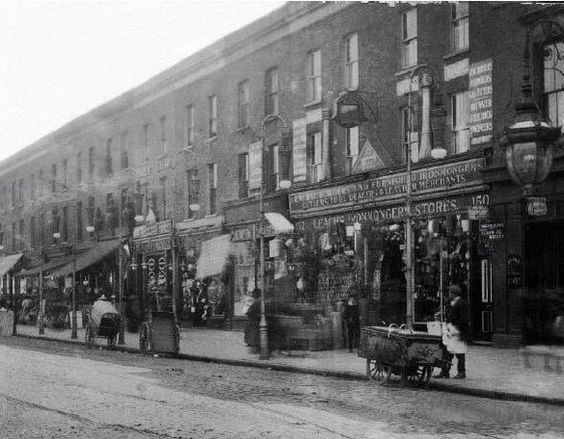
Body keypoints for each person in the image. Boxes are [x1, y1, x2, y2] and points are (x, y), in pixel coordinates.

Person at [435, 284, 470, 379]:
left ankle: (461, 372)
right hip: (450, 330)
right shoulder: (450, 303)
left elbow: (463, 319)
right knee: (447, 352)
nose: (448, 294)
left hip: (458, 331)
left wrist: (456, 329)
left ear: (454, 294)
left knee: (459, 353)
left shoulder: (461, 303)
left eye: (450, 292)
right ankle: (445, 371)